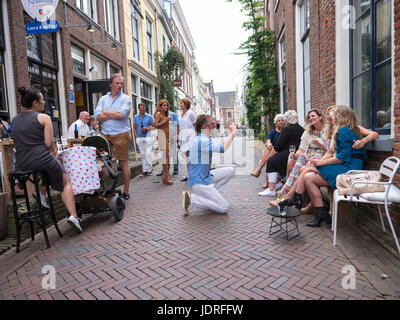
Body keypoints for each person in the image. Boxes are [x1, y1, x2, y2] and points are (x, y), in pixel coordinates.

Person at [283, 106, 368, 227]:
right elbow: (338, 153)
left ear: (339, 116)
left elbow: (342, 157)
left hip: (349, 168)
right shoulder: (346, 129)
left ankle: (295, 199)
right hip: (347, 165)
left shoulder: (343, 130)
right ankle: (321, 212)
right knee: (308, 177)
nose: (329, 118)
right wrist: (320, 161)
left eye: (332, 115)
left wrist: (320, 162)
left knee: (309, 168)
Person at [12, 87, 83, 232]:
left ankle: (41, 194)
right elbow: (48, 144)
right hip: (41, 158)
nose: (44, 102)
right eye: (42, 99)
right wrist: (53, 152)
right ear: (35, 102)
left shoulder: (14, 120)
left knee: (42, 173)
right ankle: (74, 216)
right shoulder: (44, 118)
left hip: (22, 163)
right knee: (65, 181)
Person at [182, 115, 236, 215]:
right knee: (224, 207)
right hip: (199, 182)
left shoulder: (204, 138)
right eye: (212, 124)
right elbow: (222, 148)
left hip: (205, 177)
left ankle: (209, 197)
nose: (215, 125)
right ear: (206, 127)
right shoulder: (202, 140)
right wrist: (232, 133)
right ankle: (192, 199)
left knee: (231, 170)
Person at [94, 74, 132, 201]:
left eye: (121, 83)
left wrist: (105, 113)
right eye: (117, 83)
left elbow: (122, 114)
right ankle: (100, 190)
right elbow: (97, 116)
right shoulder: (103, 99)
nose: (120, 86)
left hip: (121, 133)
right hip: (105, 134)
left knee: (124, 162)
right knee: (99, 159)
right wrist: (111, 114)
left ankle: (126, 191)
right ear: (111, 84)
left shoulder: (126, 99)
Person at [279, 109, 327, 195]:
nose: (310, 118)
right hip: (309, 155)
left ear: (320, 117)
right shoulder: (307, 132)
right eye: (309, 117)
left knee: (302, 160)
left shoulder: (328, 130)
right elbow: (302, 149)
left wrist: (320, 145)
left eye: (313, 116)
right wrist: (296, 154)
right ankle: (289, 187)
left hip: (323, 157)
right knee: (293, 159)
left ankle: (288, 188)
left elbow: (331, 150)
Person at [258, 110, 304, 196]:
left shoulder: (286, 129)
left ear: (287, 120)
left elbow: (278, 146)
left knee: (271, 161)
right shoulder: (302, 129)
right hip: (298, 153)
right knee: (276, 159)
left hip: (289, 153)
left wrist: (269, 158)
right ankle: (278, 183)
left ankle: (271, 189)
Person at [250, 114, 285, 188]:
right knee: (268, 150)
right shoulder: (273, 132)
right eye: (279, 121)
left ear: (284, 122)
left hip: (281, 152)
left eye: (282, 120)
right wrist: (269, 143)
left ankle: (260, 173)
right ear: (276, 123)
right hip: (273, 152)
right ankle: (260, 172)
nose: (281, 122)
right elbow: (268, 141)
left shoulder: (285, 131)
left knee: (269, 157)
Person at [154, 99, 173, 185]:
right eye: (164, 105)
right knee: (166, 157)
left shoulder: (166, 114)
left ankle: (165, 176)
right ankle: (167, 176)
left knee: (166, 157)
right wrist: (165, 120)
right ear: (160, 106)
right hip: (161, 136)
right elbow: (155, 125)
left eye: (167, 105)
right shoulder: (158, 114)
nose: (166, 107)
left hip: (167, 137)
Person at [178, 98, 197, 182]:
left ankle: (192, 174)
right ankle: (189, 174)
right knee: (187, 156)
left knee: (191, 155)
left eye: (181, 103)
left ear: (185, 104)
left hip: (190, 137)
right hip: (184, 137)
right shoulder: (181, 114)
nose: (180, 104)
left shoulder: (191, 114)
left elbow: (196, 124)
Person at [133, 103, 155, 176]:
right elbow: (134, 128)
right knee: (143, 154)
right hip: (140, 138)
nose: (142, 110)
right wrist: (136, 137)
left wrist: (147, 128)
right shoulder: (136, 117)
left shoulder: (149, 116)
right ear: (139, 109)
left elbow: (154, 127)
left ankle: (150, 169)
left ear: (145, 108)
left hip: (148, 137)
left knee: (148, 153)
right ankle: (144, 170)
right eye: (141, 109)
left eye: (143, 109)